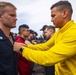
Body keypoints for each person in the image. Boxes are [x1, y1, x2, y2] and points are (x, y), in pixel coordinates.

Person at [13, 1, 76, 75]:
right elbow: (45, 46)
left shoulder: (73, 33)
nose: (51, 20)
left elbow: (48, 58)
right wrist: (26, 46)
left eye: (53, 16)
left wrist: (22, 50)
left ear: (64, 13)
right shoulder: (60, 32)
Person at [0, 1, 18, 75]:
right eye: (12, 15)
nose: (16, 19)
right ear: (1, 17)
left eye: (15, 16)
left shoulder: (12, 38)